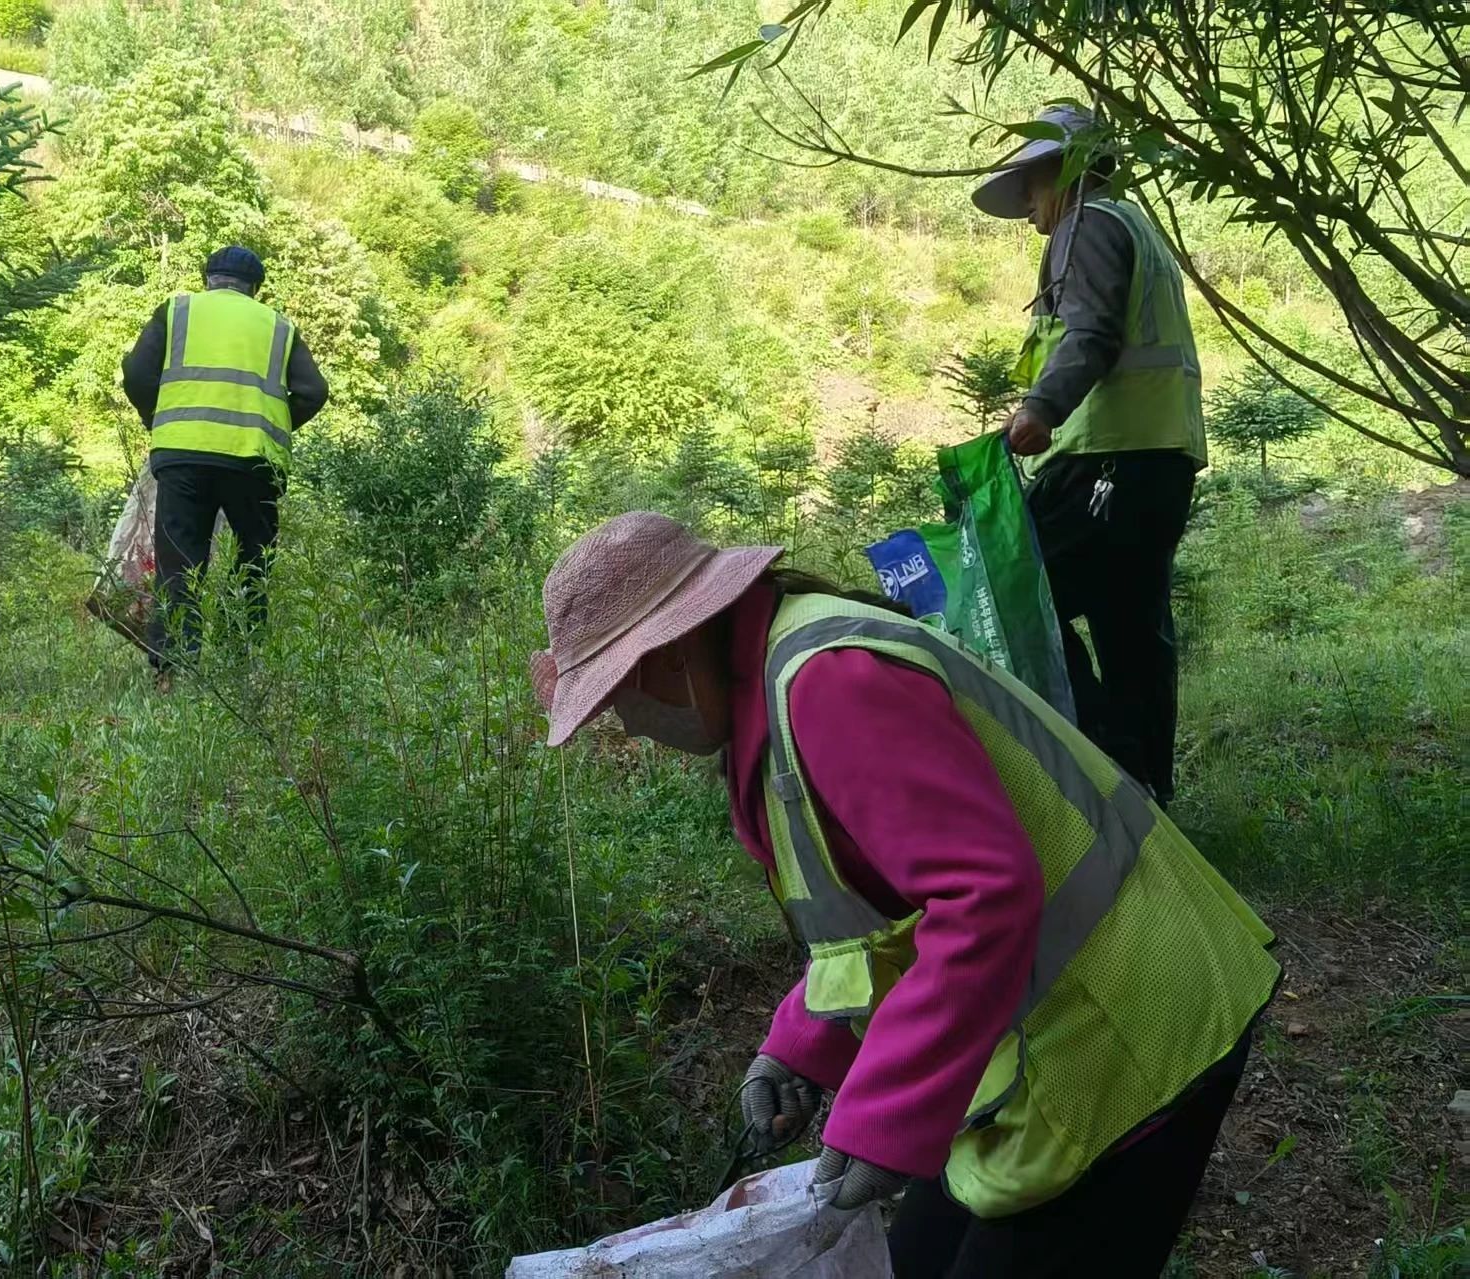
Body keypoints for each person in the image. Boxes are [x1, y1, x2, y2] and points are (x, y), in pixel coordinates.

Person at [531, 511, 1278, 1278]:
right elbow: (875, 918)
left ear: (673, 651)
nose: (628, 723)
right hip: (1067, 1023)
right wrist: (802, 1045)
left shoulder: (828, 681)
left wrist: (880, 1118)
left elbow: (983, 895)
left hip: (1134, 1021)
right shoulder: (779, 693)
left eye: (617, 694)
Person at [976, 105, 1205, 807]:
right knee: (1132, 626)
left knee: (1013, 594)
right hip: (1159, 459)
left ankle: (1107, 764)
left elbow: (1094, 332)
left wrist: (1040, 410)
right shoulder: (1137, 226)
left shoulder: (1090, 224)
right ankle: (1146, 797)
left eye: (1031, 186)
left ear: (1066, 170)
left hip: (1108, 460)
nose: (1028, 207)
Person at [121, 246, 328, 689]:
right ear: (256, 287)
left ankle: (172, 673)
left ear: (207, 278)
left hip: (182, 457)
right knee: (253, 562)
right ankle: (244, 665)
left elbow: (136, 375)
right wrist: (273, 425)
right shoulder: (277, 326)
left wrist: (158, 419)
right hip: (253, 462)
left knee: (179, 563)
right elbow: (313, 392)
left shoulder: (177, 311)